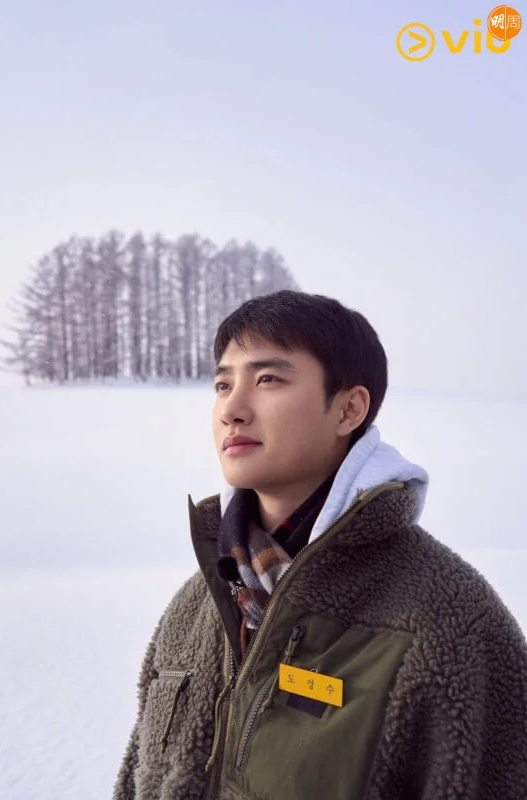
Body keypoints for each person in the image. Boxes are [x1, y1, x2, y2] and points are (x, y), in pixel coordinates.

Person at [113, 290, 527, 800]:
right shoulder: (195, 605)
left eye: (267, 379)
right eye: (223, 384)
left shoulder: (449, 624)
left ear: (349, 409)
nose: (231, 410)